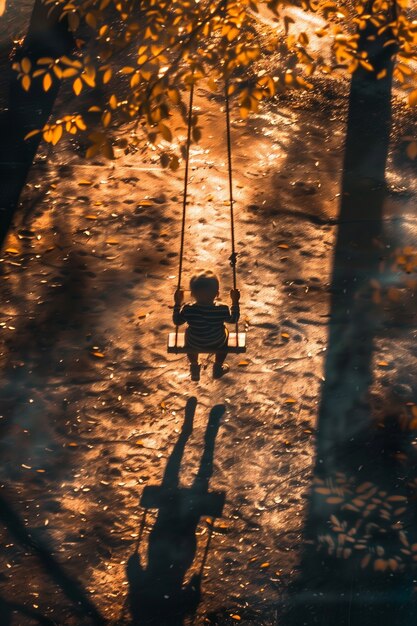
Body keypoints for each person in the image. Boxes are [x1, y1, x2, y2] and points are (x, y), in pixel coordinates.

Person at [173, 270, 240, 381]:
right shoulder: (222, 308)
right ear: (217, 293)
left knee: (188, 335)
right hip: (217, 342)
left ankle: (194, 366)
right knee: (226, 336)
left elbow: (177, 321)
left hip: (194, 342)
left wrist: (177, 303)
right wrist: (235, 302)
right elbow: (234, 319)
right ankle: (218, 367)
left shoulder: (188, 309)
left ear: (192, 294)